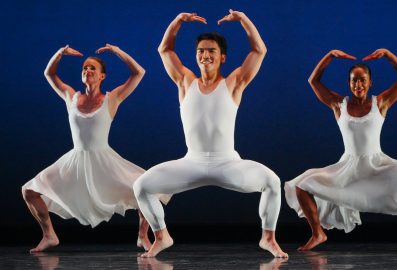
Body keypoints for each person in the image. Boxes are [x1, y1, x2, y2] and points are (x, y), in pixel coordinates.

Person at [133, 10, 288, 258]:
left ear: (222, 58)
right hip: (191, 163)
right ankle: (162, 236)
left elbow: (259, 51)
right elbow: (165, 50)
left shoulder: (234, 83)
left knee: (271, 181)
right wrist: (178, 21)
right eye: (201, 51)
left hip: (227, 163)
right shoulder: (185, 81)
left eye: (211, 51)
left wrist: (244, 20)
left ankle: (268, 238)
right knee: (141, 186)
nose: (205, 55)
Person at [284, 49, 397, 251]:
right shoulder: (339, 105)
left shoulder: (381, 103)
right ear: (349, 84)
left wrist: (388, 55)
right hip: (348, 167)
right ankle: (318, 233)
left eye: (362, 80)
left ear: (370, 83)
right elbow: (313, 81)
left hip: (377, 164)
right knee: (302, 186)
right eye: (354, 81)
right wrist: (330, 56)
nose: (358, 85)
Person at [22, 44, 171, 253]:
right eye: (85, 68)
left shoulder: (112, 98)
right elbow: (49, 73)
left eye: (93, 68)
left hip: (104, 160)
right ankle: (49, 235)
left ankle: (142, 236)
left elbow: (139, 72)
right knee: (29, 191)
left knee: (147, 190)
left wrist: (118, 52)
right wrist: (60, 54)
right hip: (75, 161)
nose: (87, 71)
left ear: (102, 76)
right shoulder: (70, 97)